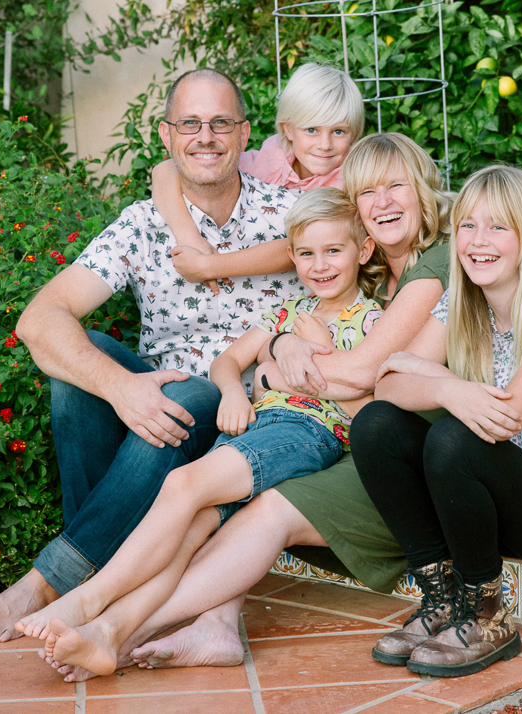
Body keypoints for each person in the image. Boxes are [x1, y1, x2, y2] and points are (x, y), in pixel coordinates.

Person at [35, 132, 459, 681]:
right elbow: (168, 175)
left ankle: (88, 602)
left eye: (395, 187)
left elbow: (368, 382)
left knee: (184, 487)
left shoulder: (410, 284)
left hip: (345, 438)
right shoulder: (336, 289)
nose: (381, 203)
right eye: (368, 191)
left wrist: (278, 365)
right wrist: (265, 361)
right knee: (197, 523)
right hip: (280, 424)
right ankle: (112, 633)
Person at [0, 67, 304, 644]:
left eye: (220, 123)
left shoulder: (288, 215)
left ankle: (50, 583)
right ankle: (100, 576)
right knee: (77, 368)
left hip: (241, 395)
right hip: (158, 397)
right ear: (167, 138)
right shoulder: (141, 226)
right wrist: (121, 387)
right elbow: (38, 318)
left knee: (184, 396)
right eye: (190, 123)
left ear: (245, 135)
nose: (205, 136)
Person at [350, 164, 522, 677]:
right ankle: (441, 600)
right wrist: (449, 387)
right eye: (468, 226)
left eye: (498, 227)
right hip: (499, 506)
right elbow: (385, 388)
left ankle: (487, 614)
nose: (479, 241)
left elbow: (505, 418)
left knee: (454, 437)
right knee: (376, 426)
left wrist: (429, 376)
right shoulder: (463, 300)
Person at [153, 63, 364, 295]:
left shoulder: (353, 180)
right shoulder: (269, 161)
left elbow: (301, 245)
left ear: (354, 134)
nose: (325, 145)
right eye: (311, 130)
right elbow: (166, 170)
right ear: (289, 129)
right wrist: (188, 237)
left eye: (338, 131)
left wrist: (208, 266)